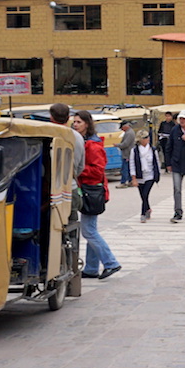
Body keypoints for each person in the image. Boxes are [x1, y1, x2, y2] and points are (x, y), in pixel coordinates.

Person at [72, 110, 120, 279]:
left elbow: (98, 171)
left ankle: (111, 263)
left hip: (92, 191)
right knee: (91, 229)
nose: (75, 124)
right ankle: (92, 267)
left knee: (89, 231)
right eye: (74, 122)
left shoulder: (92, 145)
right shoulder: (84, 141)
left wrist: (77, 170)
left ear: (87, 124)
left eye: (79, 122)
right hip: (88, 190)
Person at [127, 130, 159, 222]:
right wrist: (133, 178)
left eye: (147, 137)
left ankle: (143, 214)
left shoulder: (152, 150)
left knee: (145, 194)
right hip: (139, 176)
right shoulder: (135, 150)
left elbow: (156, 162)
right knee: (143, 196)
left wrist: (157, 175)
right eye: (145, 138)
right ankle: (148, 209)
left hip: (150, 175)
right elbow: (132, 164)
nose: (147, 139)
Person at [116, 120, 136, 187]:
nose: (122, 129)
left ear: (125, 126)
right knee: (129, 168)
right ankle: (130, 181)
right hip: (128, 153)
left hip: (127, 154)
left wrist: (118, 145)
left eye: (122, 128)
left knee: (125, 169)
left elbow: (125, 144)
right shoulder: (129, 132)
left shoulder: (129, 133)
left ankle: (123, 182)